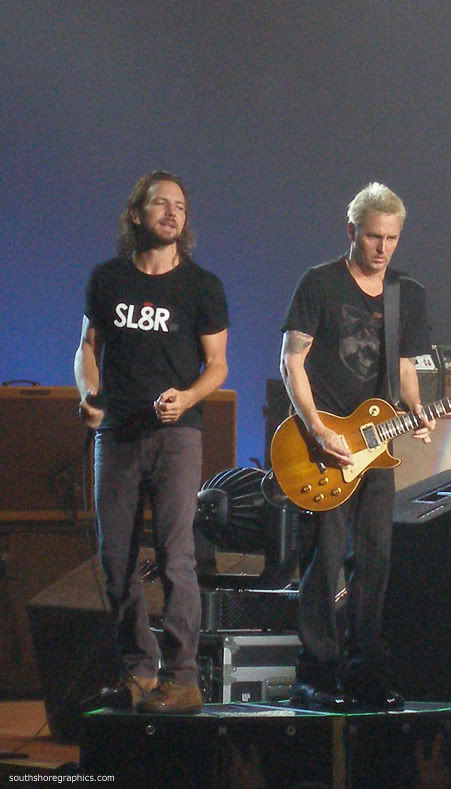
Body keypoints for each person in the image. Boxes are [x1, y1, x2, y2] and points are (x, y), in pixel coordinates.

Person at [74, 170, 229, 713]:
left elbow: (217, 366)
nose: (172, 213)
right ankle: (139, 670)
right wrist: (89, 394)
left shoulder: (202, 286)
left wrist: (186, 398)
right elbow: (87, 346)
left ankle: (183, 678)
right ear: (137, 213)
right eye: (161, 203)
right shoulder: (108, 278)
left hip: (176, 436)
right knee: (115, 557)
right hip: (117, 434)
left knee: (175, 555)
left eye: (180, 206)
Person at [279, 182, 435, 710]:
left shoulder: (407, 293)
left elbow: (404, 363)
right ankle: (317, 674)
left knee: (374, 560)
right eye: (373, 237)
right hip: (323, 445)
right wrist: (317, 430)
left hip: (377, 445)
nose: (383, 248)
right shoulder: (319, 283)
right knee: (323, 561)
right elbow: (292, 360)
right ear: (351, 231)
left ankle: (365, 670)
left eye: (392, 238)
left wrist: (416, 408)